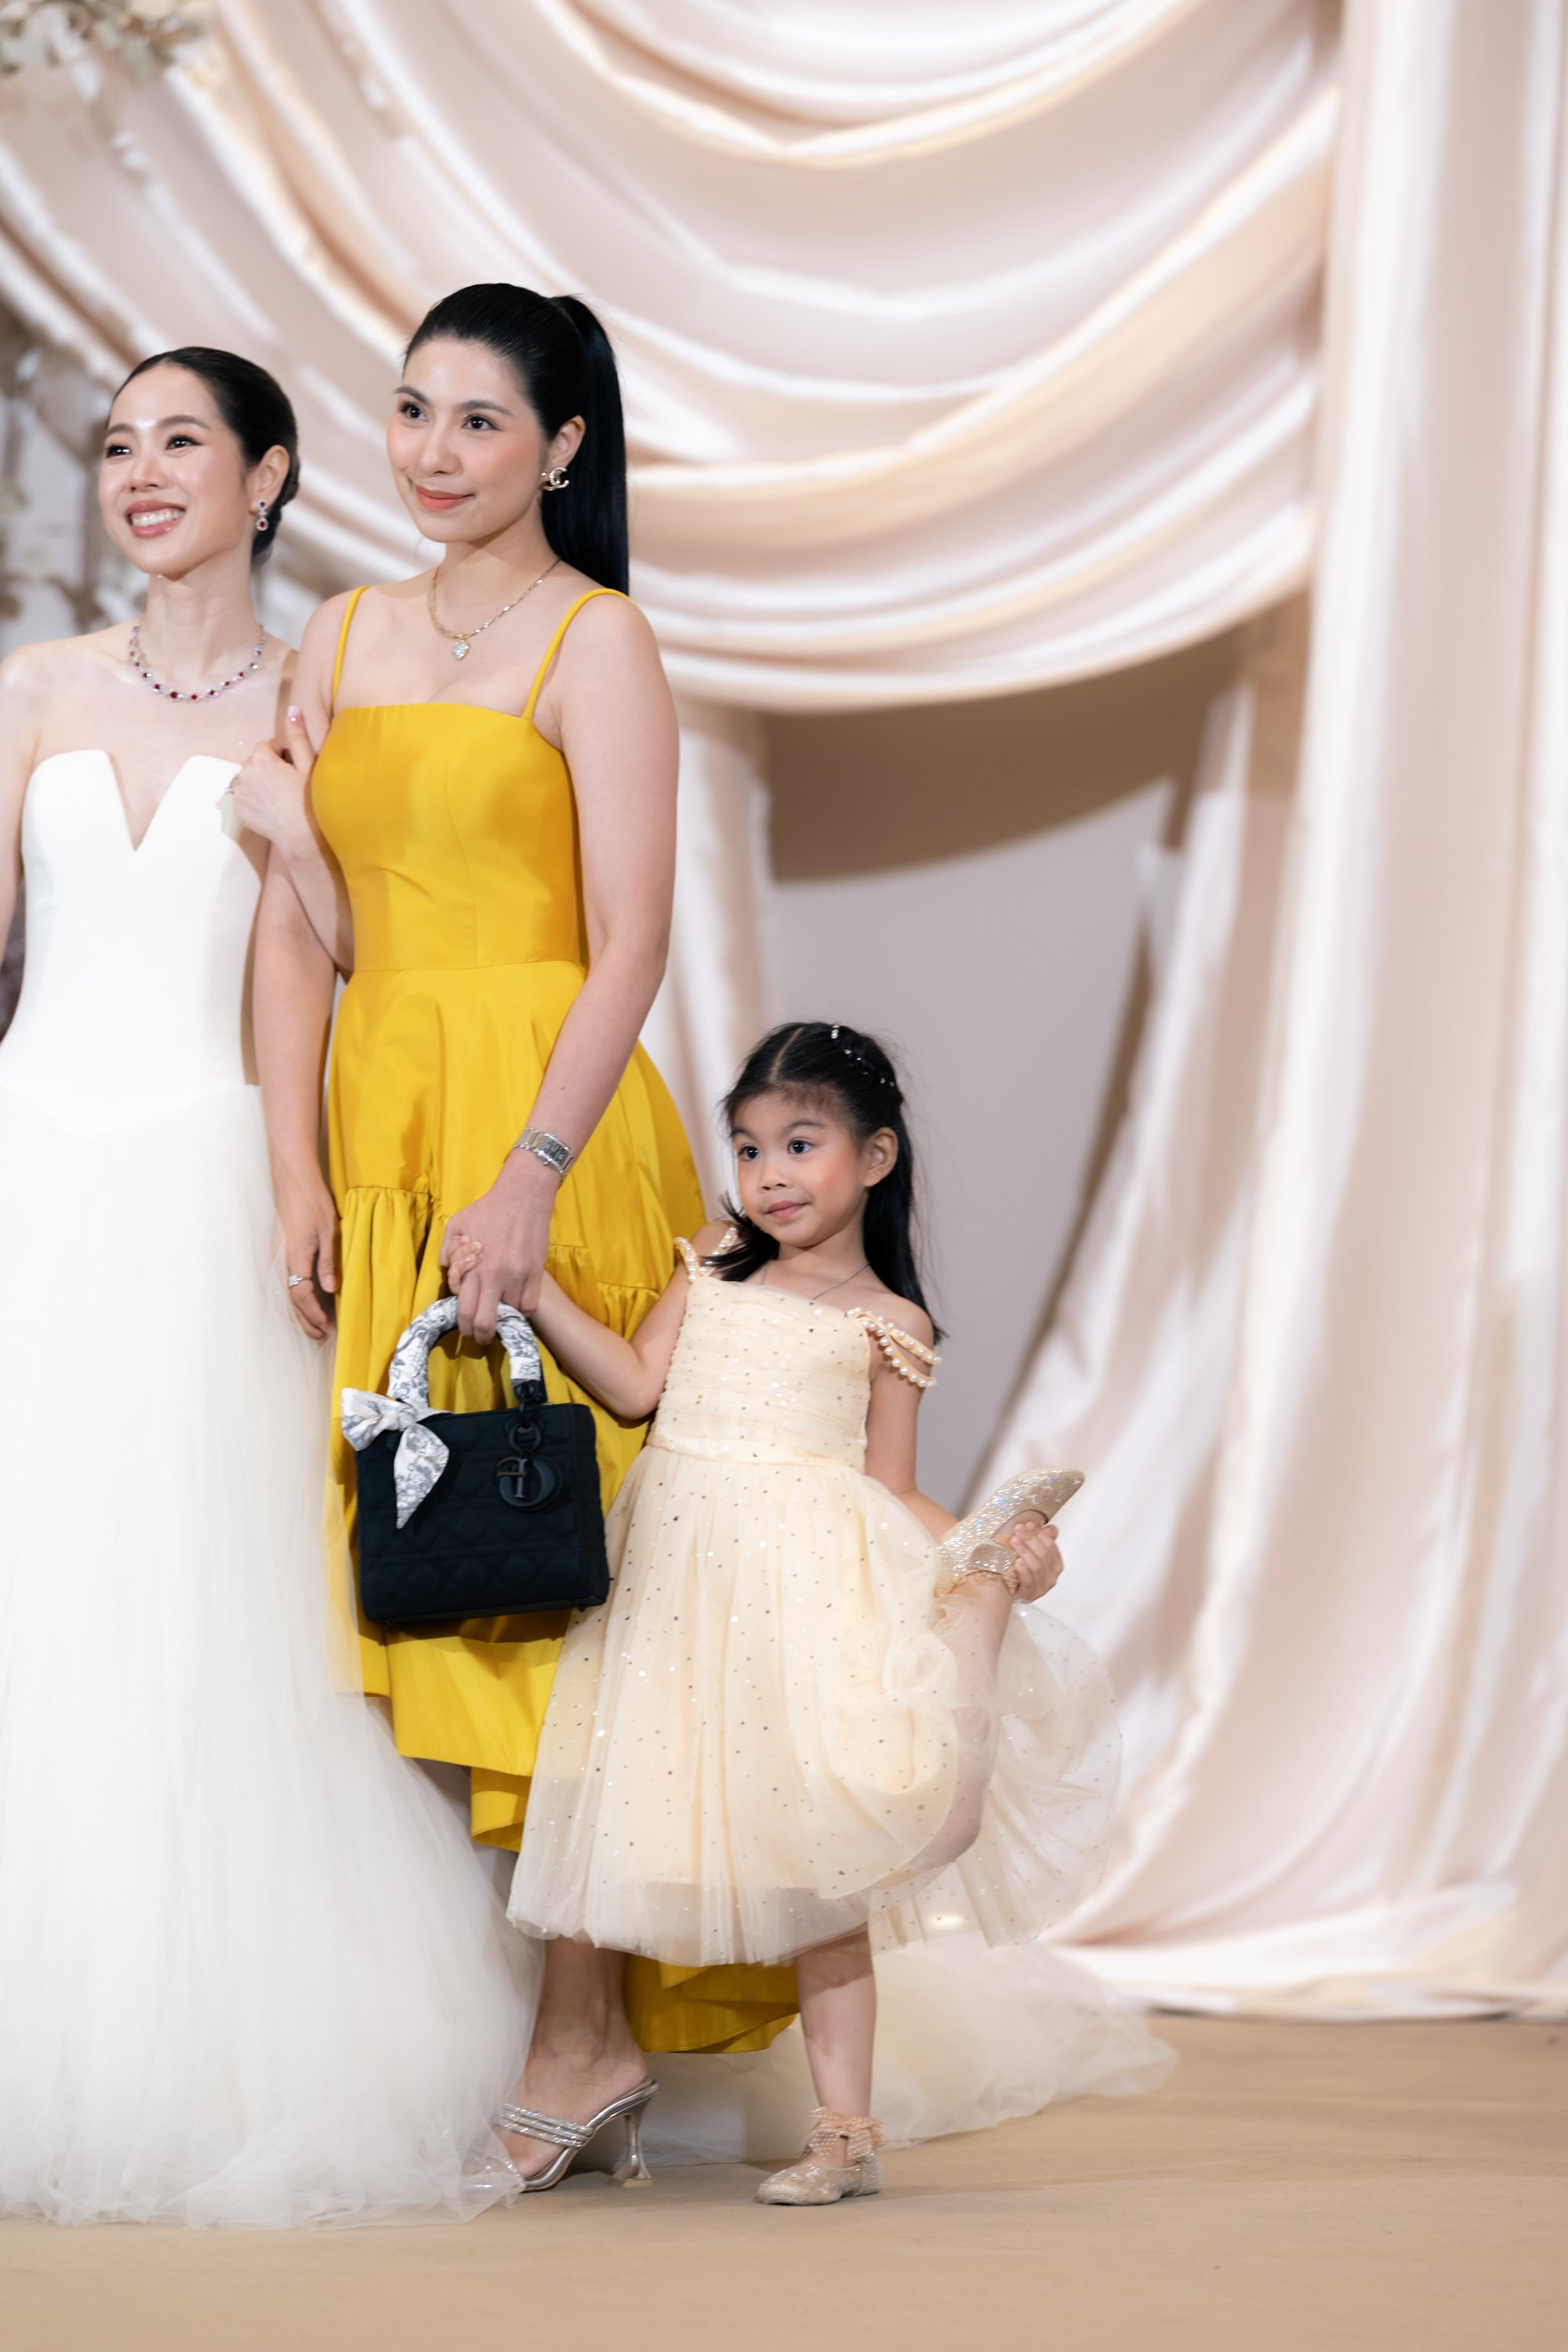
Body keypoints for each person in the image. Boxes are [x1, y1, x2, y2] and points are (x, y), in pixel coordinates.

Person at [0, 348, 527, 2227]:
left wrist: (303, 839)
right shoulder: (35, 688)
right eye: (117, 446)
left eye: (183, 443)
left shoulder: (328, 687)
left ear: (271, 475)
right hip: (32, 1166)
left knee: (204, 1599)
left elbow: (375, 954)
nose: (142, 474)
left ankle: (213, 2039)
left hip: (216, 1183)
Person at [242, 285, 796, 2068]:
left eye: (477, 419)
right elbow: (305, 930)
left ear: (560, 445)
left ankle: (583, 2031)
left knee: (563, 1572)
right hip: (383, 1133)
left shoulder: (598, 640)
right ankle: (489, 2017)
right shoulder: (337, 633)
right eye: (412, 408)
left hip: (546, 1130)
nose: (432, 450)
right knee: (427, 1557)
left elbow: (630, 941)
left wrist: (535, 1177)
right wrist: (293, 1168)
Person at [499, 1021, 1122, 2201]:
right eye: (747, 1148)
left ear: (875, 1157)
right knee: (615, 1807)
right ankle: (584, 2059)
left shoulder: (890, 1322)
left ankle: (846, 2132)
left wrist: (996, 1551)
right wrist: (535, 1297)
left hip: (798, 1601)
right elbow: (632, 1386)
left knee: (820, 1864)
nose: (769, 1173)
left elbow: (891, 1487)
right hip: (672, 1588)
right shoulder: (714, 1260)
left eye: (799, 1143)